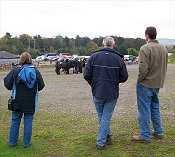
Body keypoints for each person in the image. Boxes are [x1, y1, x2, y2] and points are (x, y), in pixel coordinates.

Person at [83, 36, 128, 150]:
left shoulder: (93, 56)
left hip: (98, 91)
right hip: (112, 93)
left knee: (103, 116)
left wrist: (94, 84)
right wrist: (114, 82)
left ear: (103, 44)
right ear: (113, 44)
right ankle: (105, 138)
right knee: (105, 117)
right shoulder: (118, 59)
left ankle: (102, 140)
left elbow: (86, 74)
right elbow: (124, 77)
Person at [133, 26, 168, 143]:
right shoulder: (163, 48)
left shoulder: (145, 48)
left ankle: (145, 136)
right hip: (157, 83)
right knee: (155, 107)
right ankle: (159, 131)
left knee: (144, 110)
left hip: (145, 84)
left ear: (147, 35)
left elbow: (143, 69)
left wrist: (139, 80)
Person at [4, 52, 45, 148]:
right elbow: (41, 85)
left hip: (17, 101)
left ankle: (12, 142)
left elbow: (7, 84)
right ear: (30, 59)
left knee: (15, 121)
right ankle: (26, 143)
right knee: (28, 121)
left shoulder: (15, 70)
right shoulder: (35, 71)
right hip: (31, 101)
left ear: (21, 59)